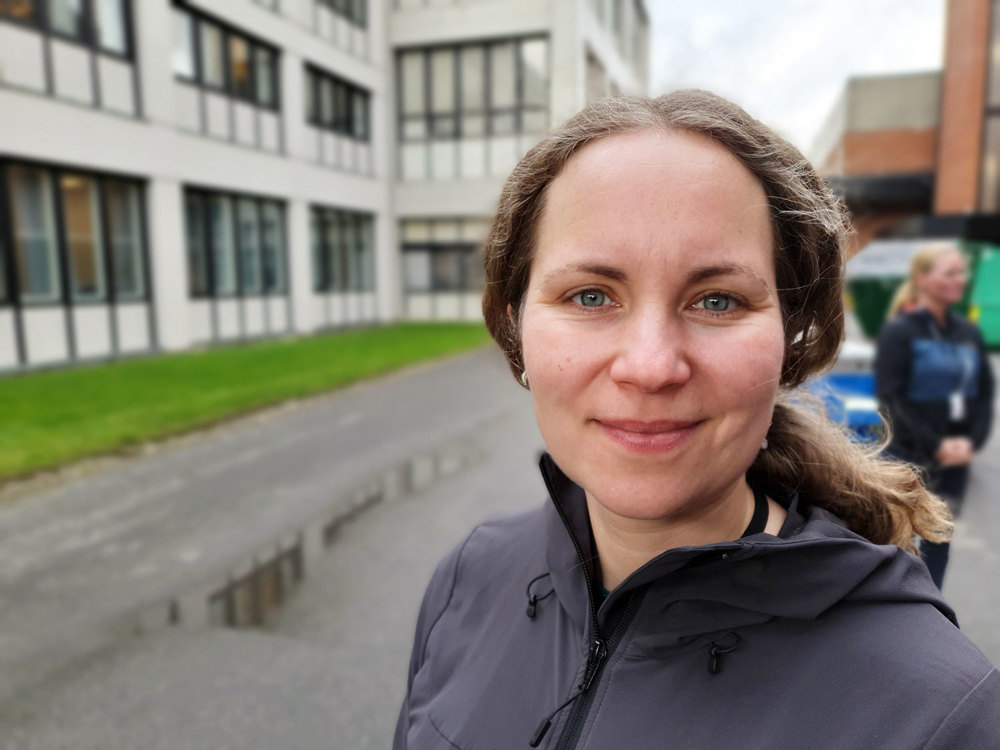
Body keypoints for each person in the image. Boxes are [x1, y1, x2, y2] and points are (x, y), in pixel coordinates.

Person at [394, 92, 1000, 749]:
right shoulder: (468, 579)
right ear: (516, 329)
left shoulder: (940, 712)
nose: (651, 367)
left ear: (790, 335)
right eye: (590, 295)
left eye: (717, 299)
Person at [876, 243, 994, 589]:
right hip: (908, 458)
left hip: (955, 461)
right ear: (922, 279)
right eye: (950, 273)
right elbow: (891, 399)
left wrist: (969, 443)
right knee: (898, 542)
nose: (961, 279)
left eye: (962, 272)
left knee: (940, 539)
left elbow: (984, 395)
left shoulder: (967, 332)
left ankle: (932, 605)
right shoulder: (901, 332)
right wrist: (934, 444)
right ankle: (893, 611)